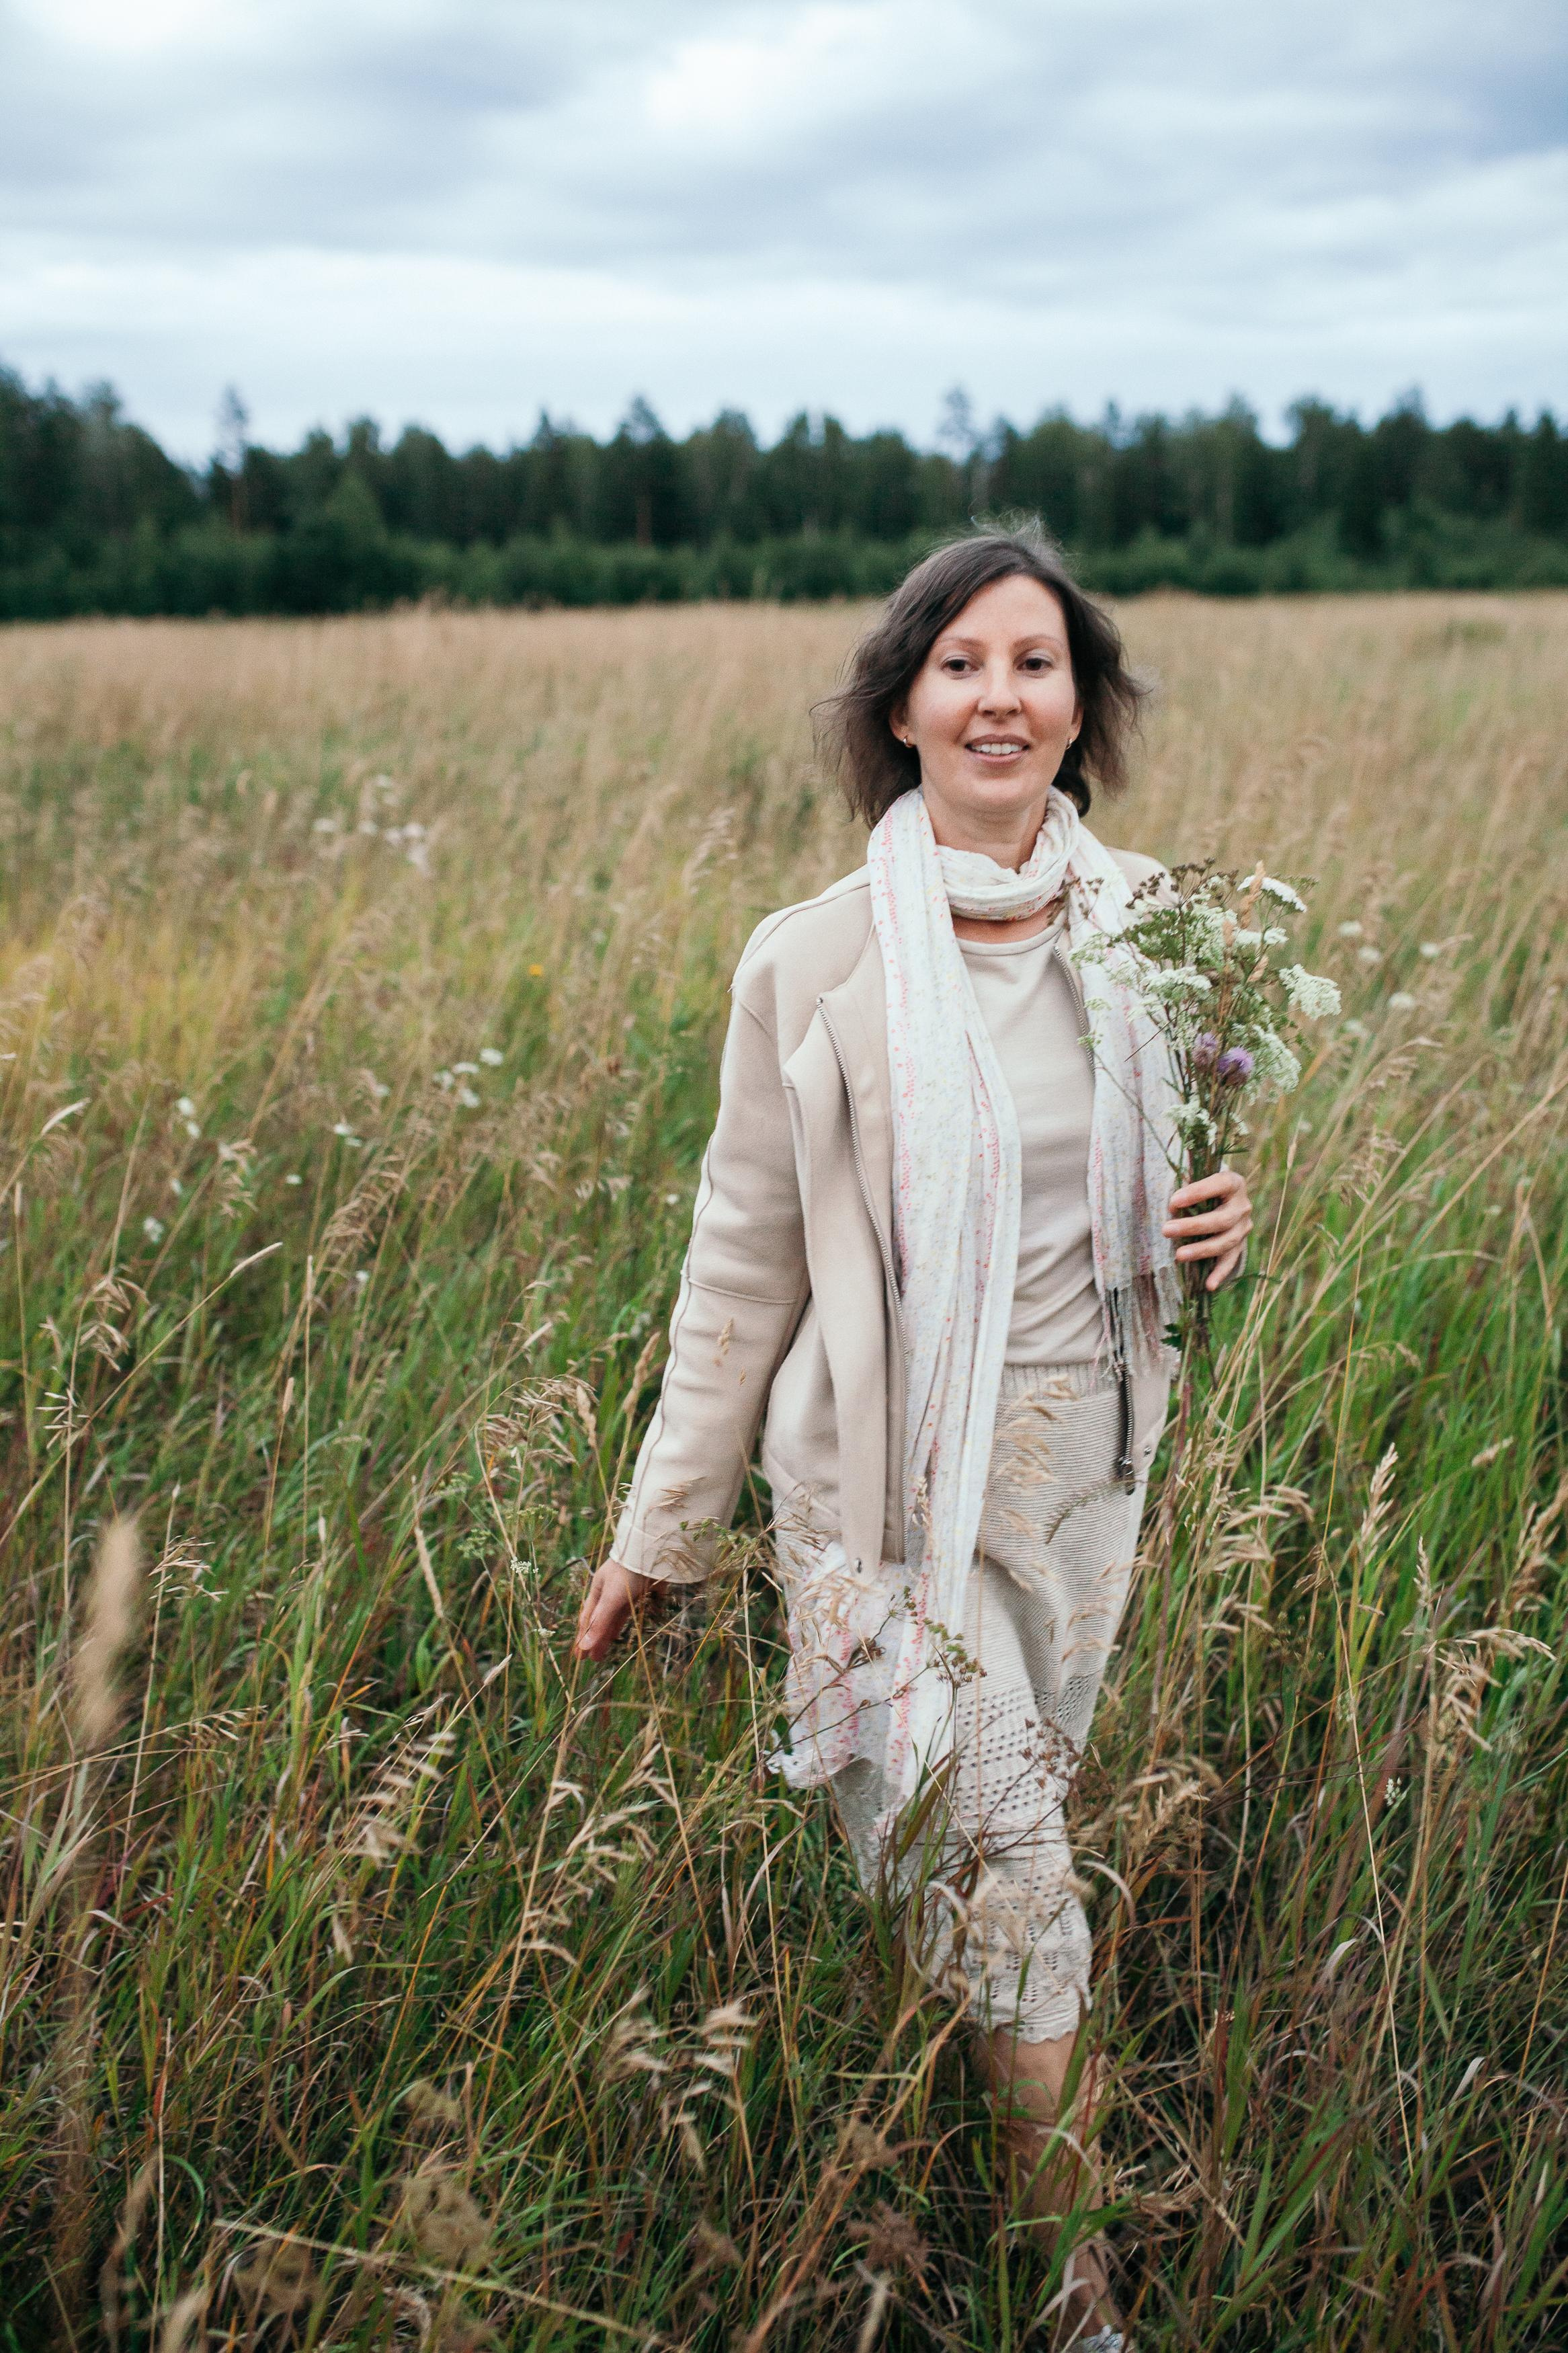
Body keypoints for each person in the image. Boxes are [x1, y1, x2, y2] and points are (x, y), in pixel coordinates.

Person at [575, 527, 1251, 2350]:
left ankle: (959, 2103)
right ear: (898, 706)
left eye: (1036, 662)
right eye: (960, 662)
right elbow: (740, 1252)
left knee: (980, 1862)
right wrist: (663, 1527)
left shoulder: (1164, 936)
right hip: (880, 1496)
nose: (1000, 695)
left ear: (1083, 706)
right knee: (1021, 1874)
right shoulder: (811, 964)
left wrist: (1221, 1224)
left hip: (1080, 1479)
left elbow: (1189, 1185)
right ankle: (1077, 2289)